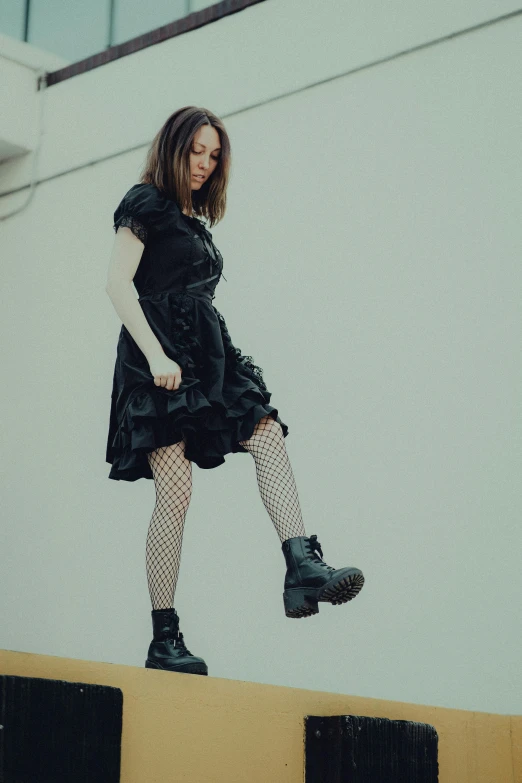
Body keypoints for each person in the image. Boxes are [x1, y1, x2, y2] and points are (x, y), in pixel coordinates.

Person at [105, 106, 365, 676]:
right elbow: (117, 284)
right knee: (175, 490)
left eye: (213, 155)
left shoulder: (193, 219)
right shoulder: (145, 202)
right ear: (173, 148)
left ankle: (302, 568)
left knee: (267, 432)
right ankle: (164, 639)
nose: (203, 163)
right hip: (160, 360)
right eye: (195, 151)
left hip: (206, 356)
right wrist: (156, 357)